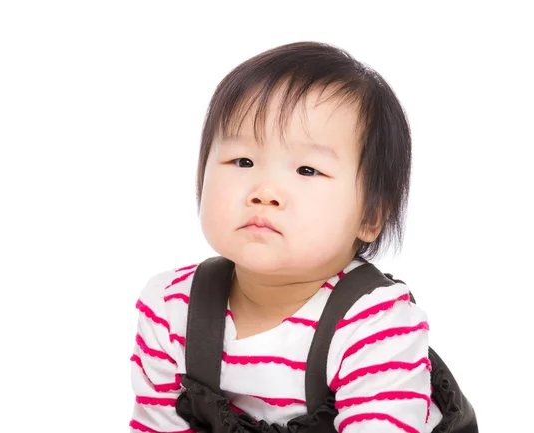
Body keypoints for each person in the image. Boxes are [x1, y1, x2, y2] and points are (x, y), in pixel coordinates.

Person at [129, 42, 474, 433]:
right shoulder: (171, 307)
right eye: (242, 161)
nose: (264, 191)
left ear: (371, 215)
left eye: (307, 170)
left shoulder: (375, 324)